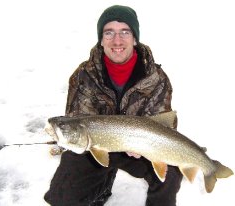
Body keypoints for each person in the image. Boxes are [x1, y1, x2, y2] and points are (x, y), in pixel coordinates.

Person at [44, 5, 183, 206]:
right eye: (109, 33)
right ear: (101, 40)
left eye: (125, 32)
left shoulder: (156, 79)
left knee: (171, 173)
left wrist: (143, 147)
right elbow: (77, 118)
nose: (117, 40)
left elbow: (164, 124)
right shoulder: (84, 75)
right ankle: (100, 188)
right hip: (95, 144)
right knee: (64, 189)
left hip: (140, 146)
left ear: (135, 38)